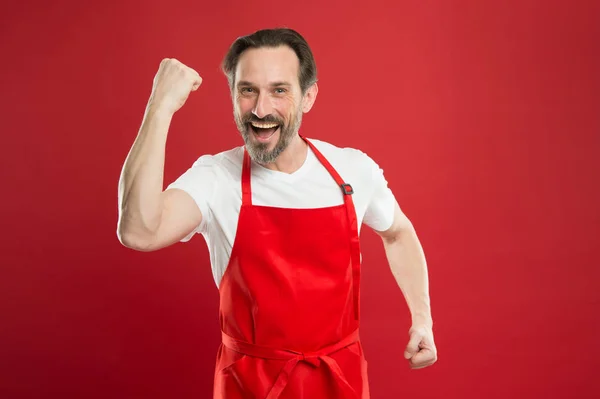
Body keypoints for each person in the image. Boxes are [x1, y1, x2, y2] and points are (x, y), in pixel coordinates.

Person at [117, 28, 437, 399]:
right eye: (247, 89)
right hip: (249, 388)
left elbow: (398, 232)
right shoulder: (215, 178)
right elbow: (138, 230)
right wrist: (160, 106)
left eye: (279, 90)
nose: (260, 109)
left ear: (309, 96)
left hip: (341, 383)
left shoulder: (352, 171)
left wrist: (423, 321)